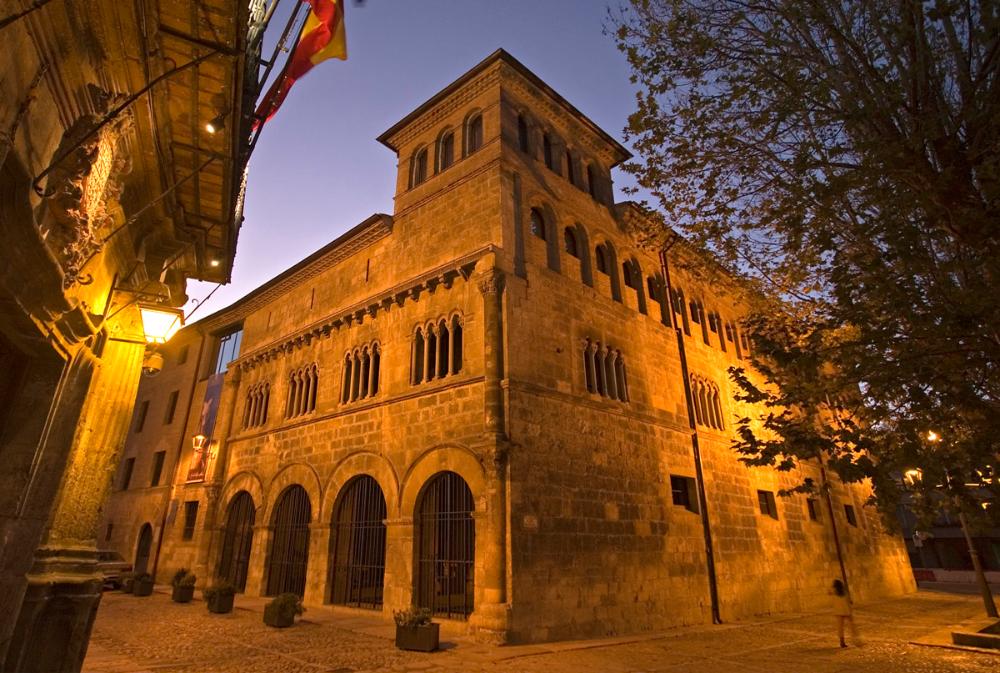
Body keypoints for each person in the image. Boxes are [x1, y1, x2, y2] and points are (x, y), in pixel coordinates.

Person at [831, 579, 860, 647]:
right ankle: (856, 640)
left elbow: (828, 591)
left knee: (840, 628)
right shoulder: (845, 592)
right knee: (852, 626)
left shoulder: (834, 592)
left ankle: (842, 642)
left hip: (839, 612)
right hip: (846, 611)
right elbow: (849, 601)